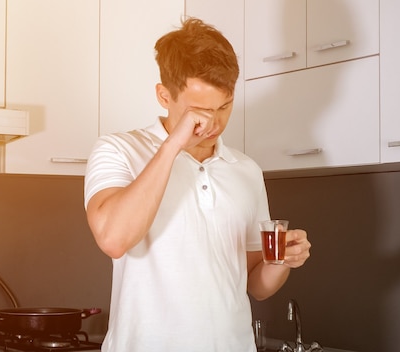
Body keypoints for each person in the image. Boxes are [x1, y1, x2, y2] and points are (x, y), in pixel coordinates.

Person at [83, 17, 312, 351]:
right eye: (200, 111)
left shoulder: (246, 170)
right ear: (164, 95)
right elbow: (114, 239)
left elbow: (255, 284)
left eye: (225, 105)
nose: (214, 122)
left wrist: (281, 261)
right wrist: (173, 146)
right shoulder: (118, 150)